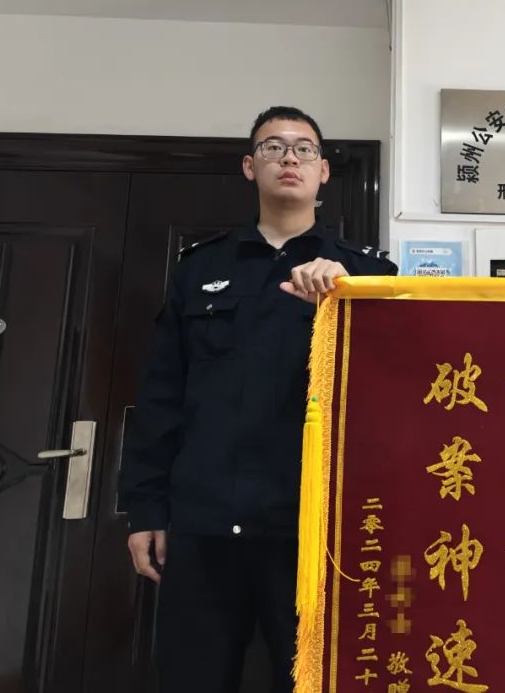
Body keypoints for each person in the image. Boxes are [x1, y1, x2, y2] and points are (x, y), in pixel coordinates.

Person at [119, 105, 397, 692]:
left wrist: (345, 304)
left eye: (304, 149)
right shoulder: (200, 268)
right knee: (193, 678)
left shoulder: (363, 274)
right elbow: (162, 395)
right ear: (250, 167)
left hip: (312, 526)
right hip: (203, 520)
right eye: (273, 147)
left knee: (312, 681)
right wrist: (145, 509)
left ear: (324, 171)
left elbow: (389, 397)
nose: (289, 158)